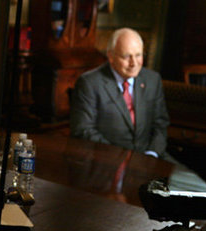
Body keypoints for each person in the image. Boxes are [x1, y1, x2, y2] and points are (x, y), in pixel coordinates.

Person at [70, 28, 170, 160]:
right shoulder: (90, 83)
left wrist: (152, 154)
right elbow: (83, 130)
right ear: (111, 56)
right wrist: (123, 158)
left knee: (189, 179)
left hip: (150, 156)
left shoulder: (152, 80)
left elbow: (160, 124)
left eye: (138, 55)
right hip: (108, 159)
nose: (134, 63)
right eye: (127, 56)